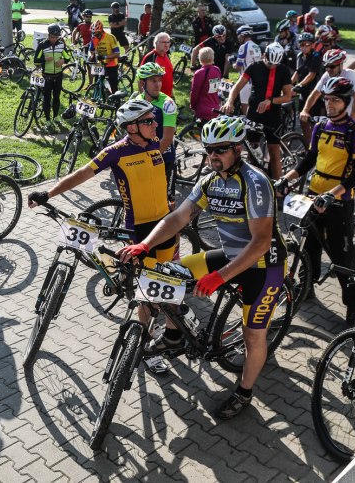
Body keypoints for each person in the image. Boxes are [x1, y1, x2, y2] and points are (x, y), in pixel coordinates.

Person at [117, 116, 286, 419]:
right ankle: (173, 336)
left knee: (252, 334)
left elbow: (261, 242)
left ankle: (244, 392)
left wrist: (218, 277)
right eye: (209, 149)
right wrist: (145, 245)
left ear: (238, 149)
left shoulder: (255, 183)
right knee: (169, 274)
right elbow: (178, 218)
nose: (213, 155)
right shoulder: (210, 181)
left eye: (220, 149)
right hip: (231, 255)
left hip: (263, 264)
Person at [28, 100, 176, 342]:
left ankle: (168, 334)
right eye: (148, 121)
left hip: (167, 225)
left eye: (154, 119)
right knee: (148, 293)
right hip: (141, 229)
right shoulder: (115, 152)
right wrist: (48, 193)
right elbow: (82, 174)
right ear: (131, 127)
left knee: (167, 283)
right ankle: (143, 343)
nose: (155, 124)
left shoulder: (154, 144)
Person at [278, 77, 355, 320]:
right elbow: (309, 160)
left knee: (342, 257)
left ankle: (353, 306)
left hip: (338, 201)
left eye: (335, 100)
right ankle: (306, 285)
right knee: (309, 246)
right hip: (314, 195)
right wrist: (286, 178)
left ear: (346, 102)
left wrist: (332, 194)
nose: (329, 104)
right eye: (327, 99)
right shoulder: (320, 127)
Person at [221, 43, 292, 179]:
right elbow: (237, 86)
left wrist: (270, 100)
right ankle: (251, 183)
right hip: (255, 113)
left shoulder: (283, 70)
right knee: (252, 151)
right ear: (264, 56)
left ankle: (278, 187)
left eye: (276, 64)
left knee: (274, 153)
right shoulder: (254, 67)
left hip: (273, 115)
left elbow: (287, 96)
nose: (272, 66)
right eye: (270, 63)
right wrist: (230, 101)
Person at [132, 62, 177, 181]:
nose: (158, 84)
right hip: (142, 159)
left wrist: (150, 159)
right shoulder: (138, 100)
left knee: (165, 194)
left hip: (164, 159)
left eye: (159, 80)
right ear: (143, 83)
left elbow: (168, 138)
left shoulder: (168, 103)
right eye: (153, 81)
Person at [302, 49, 355, 125]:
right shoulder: (327, 75)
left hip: (353, 118)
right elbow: (315, 94)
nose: (328, 69)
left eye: (332, 66)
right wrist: (305, 111)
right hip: (335, 119)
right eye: (326, 66)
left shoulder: (350, 75)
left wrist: (350, 121)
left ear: (341, 65)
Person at [33, 24, 67, 131]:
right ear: (48, 35)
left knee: (57, 97)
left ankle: (55, 117)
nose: (54, 39)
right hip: (47, 76)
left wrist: (63, 60)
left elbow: (67, 57)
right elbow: (35, 61)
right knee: (47, 99)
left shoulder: (61, 44)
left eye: (56, 37)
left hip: (58, 75)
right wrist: (44, 59)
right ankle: (47, 120)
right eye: (52, 37)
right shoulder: (42, 45)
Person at [292, 32, 323, 141]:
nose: (304, 47)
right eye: (302, 44)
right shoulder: (299, 56)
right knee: (303, 121)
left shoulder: (316, 57)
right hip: (303, 92)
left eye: (307, 44)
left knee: (313, 123)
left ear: (312, 45)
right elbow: (297, 72)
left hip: (314, 93)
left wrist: (299, 85)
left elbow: (312, 75)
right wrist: (289, 84)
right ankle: (308, 145)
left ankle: (315, 145)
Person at [233, 26, 262, 116]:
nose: (239, 39)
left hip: (245, 81)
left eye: (239, 37)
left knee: (245, 108)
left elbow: (238, 66)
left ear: (242, 36)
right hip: (256, 80)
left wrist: (232, 62)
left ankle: (248, 123)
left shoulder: (243, 47)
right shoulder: (257, 46)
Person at [88, 17, 121, 93]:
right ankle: (99, 96)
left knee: (113, 85)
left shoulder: (110, 37)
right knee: (97, 82)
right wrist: (90, 56)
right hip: (99, 63)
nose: (96, 36)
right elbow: (91, 50)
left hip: (111, 63)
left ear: (102, 31)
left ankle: (116, 98)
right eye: (94, 34)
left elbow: (117, 54)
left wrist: (105, 57)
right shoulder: (93, 38)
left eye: (97, 34)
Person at [189, 47, 221, 126]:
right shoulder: (217, 70)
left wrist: (193, 106)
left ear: (200, 58)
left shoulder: (199, 73)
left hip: (203, 109)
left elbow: (194, 93)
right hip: (216, 108)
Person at [139, 32, 175, 98]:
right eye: (163, 42)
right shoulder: (150, 57)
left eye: (168, 42)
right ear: (156, 43)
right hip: (155, 99)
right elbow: (140, 79)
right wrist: (144, 99)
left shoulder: (167, 57)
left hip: (167, 99)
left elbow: (169, 78)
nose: (167, 45)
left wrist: (172, 96)